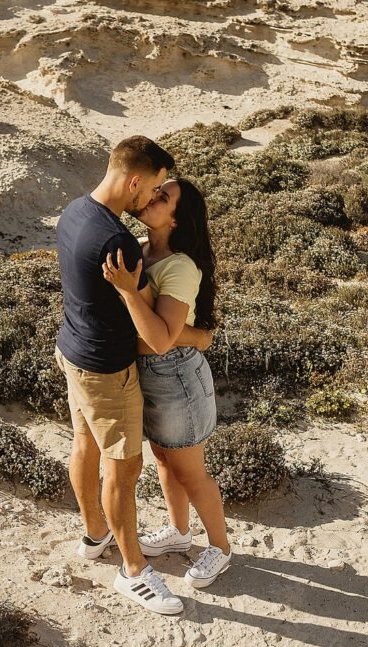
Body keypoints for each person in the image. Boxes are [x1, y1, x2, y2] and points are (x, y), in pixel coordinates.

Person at [54, 136, 212, 615]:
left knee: (84, 446)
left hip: (72, 350)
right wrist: (198, 337)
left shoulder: (75, 211)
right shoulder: (119, 242)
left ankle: (95, 535)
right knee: (122, 469)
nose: (152, 197)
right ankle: (134, 571)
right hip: (106, 367)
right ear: (136, 180)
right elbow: (158, 329)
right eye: (156, 187)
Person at [102, 177, 232, 589]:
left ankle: (221, 547)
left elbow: (161, 337)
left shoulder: (179, 266)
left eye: (164, 197)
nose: (152, 197)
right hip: (151, 376)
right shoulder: (142, 252)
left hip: (175, 375)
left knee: (191, 471)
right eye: (157, 191)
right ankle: (179, 530)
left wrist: (126, 293)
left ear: (177, 219)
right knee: (163, 458)